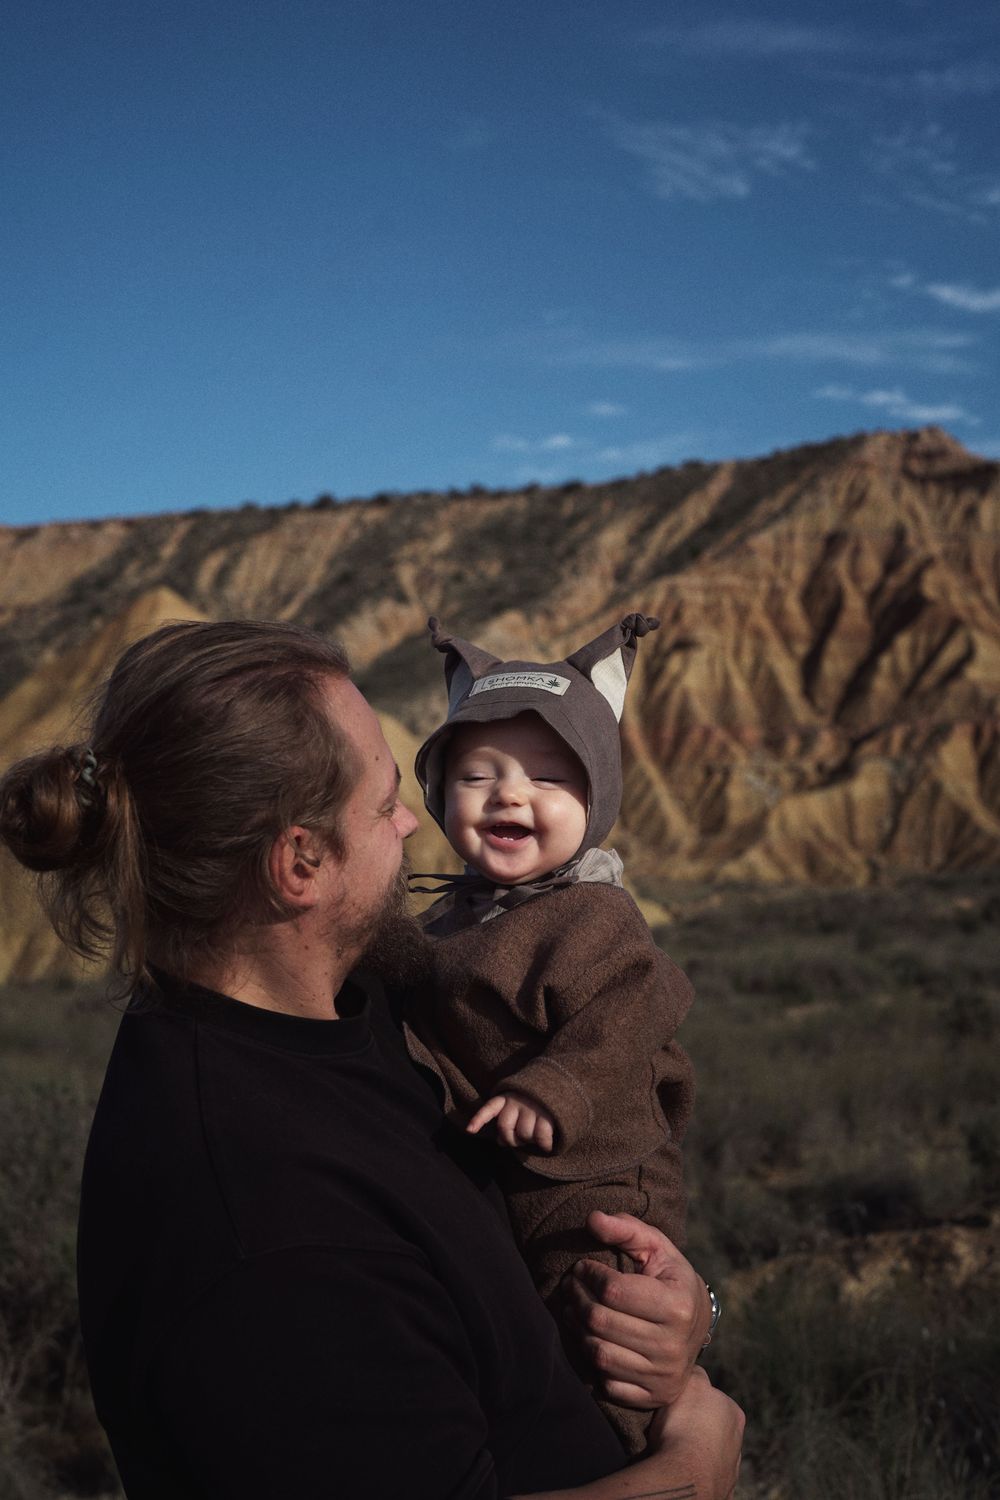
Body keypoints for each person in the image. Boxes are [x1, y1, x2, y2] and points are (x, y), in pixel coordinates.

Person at [0, 618, 742, 1500]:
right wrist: (694, 1475)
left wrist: (681, 1312)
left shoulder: (375, 1003)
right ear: (300, 862)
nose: (412, 825)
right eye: (387, 802)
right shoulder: (268, 1239)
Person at [407, 614, 695, 1454]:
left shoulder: (591, 915)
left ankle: (639, 1454)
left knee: (607, 1320)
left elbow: (638, 1000)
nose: (509, 794)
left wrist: (553, 1087)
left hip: (599, 1177)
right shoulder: (450, 919)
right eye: (477, 775)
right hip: (512, 1178)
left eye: (547, 776)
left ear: (596, 801)